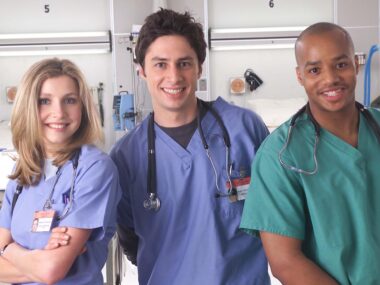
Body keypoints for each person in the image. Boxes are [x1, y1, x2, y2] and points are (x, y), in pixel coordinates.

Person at [110, 8, 270, 285]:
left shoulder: (245, 129)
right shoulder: (126, 155)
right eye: (160, 64)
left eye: (184, 63)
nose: (174, 77)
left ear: (200, 67)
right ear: (141, 71)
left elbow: (276, 214)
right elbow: (129, 236)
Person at [240, 22, 380, 285]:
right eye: (315, 69)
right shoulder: (280, 156)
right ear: (300, 76)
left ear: (356, 65)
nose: (330, 79)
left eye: (341, 64)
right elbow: (285, 262)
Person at [0, 58, 120, 285]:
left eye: (70, 100)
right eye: (45, 101)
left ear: (82, 107)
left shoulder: (94, 168)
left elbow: (51, 271)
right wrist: (38, 259)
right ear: (28, 107)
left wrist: (9, 249)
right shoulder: (23, 171)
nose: (59, 112)